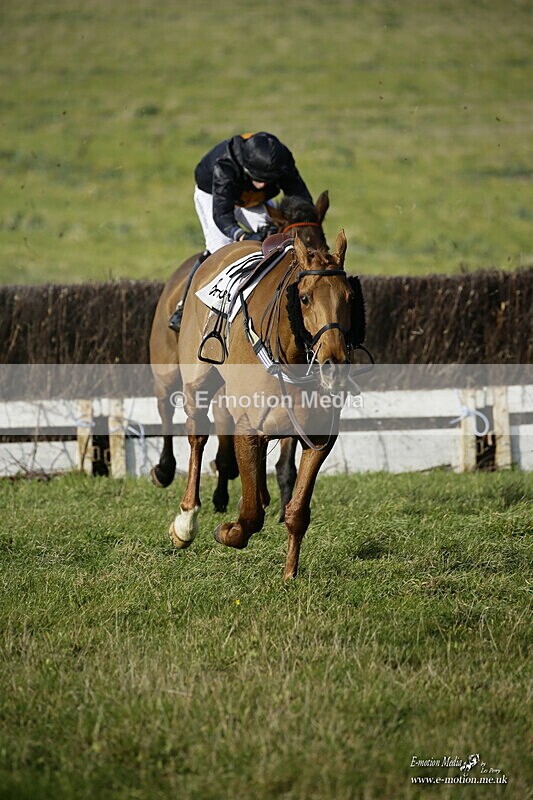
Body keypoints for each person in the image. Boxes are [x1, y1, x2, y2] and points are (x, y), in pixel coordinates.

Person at [168, 132, 313, 331]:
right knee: (220, 247)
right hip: (214, 195)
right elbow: (222, 214)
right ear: (246, 167)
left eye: (268, 180)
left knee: (276, 240)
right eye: (259, 179)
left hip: (253, 199)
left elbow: (300, 197)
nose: (263, 184)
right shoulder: (225, 165)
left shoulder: (282, 162)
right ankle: (183, 307)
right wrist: (242, 235)